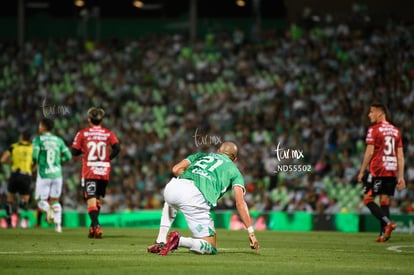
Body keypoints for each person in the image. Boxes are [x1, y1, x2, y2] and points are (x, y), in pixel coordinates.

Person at [153, 141, 259, 256]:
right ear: (234, 159)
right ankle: (179, 241)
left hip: (172, 187)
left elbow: (176, 169)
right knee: (211, 247)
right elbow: (240, 203)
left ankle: (160, 241)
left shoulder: (201, 155)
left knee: (171, 200)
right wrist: (251, 232)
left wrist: (190, 179)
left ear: (218, 151)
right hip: (194, 197)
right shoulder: (235, 172)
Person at [357, 102, 405, 242]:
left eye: (371, 112)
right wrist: (400, 176)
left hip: (377, 169)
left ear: (379, 112)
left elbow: (370, 152)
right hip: (391, 169)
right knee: (384, 200)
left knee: (368, 199)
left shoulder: (374, 129)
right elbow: (400, 156)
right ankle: (383, 234)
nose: (369, 114)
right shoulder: (396, 130)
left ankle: (388, 223)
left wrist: (361, 171)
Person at [71, 107, 120, 239]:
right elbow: (117, 148)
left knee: (91, 198)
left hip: (90, 170)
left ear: (89, 120)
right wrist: (108, 158)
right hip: (104, 170)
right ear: (101, 120)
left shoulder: (83, 133)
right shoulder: (108, 133)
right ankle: (93, 227)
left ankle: (96, 224)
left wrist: (84, 150)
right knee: (97, 199)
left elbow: (74, 151)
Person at [32, 118, 72, 233]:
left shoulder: (38, 140)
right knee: (55, 200)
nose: (39, 127)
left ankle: (48, 209)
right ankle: (58, 226)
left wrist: (34, 165)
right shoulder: (58, 140)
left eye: (40, 125)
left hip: (44, 174)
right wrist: (59, 161)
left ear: (44, 127)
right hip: (57, 174)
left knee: (40, 201)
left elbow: (35, 156)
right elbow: (68, 156)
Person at [0, 130, 33, 228]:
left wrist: (11, 163)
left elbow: (2, 160)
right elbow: (36, 161)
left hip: (15, 174)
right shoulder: (32, 148)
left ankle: (9, 220)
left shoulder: (14, 146)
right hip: (26, 175)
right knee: (26, 198)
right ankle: (20, 206)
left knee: (10, 198)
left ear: (22, 137)